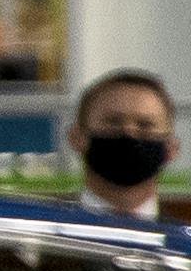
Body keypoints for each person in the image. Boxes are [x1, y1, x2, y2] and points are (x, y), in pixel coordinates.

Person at [69, 67, 179, 219]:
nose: (128, 134)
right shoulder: (40, 237)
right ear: (76, 138)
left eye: (145, 125)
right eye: (113, 122)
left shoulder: (187, 241)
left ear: (171, 148)